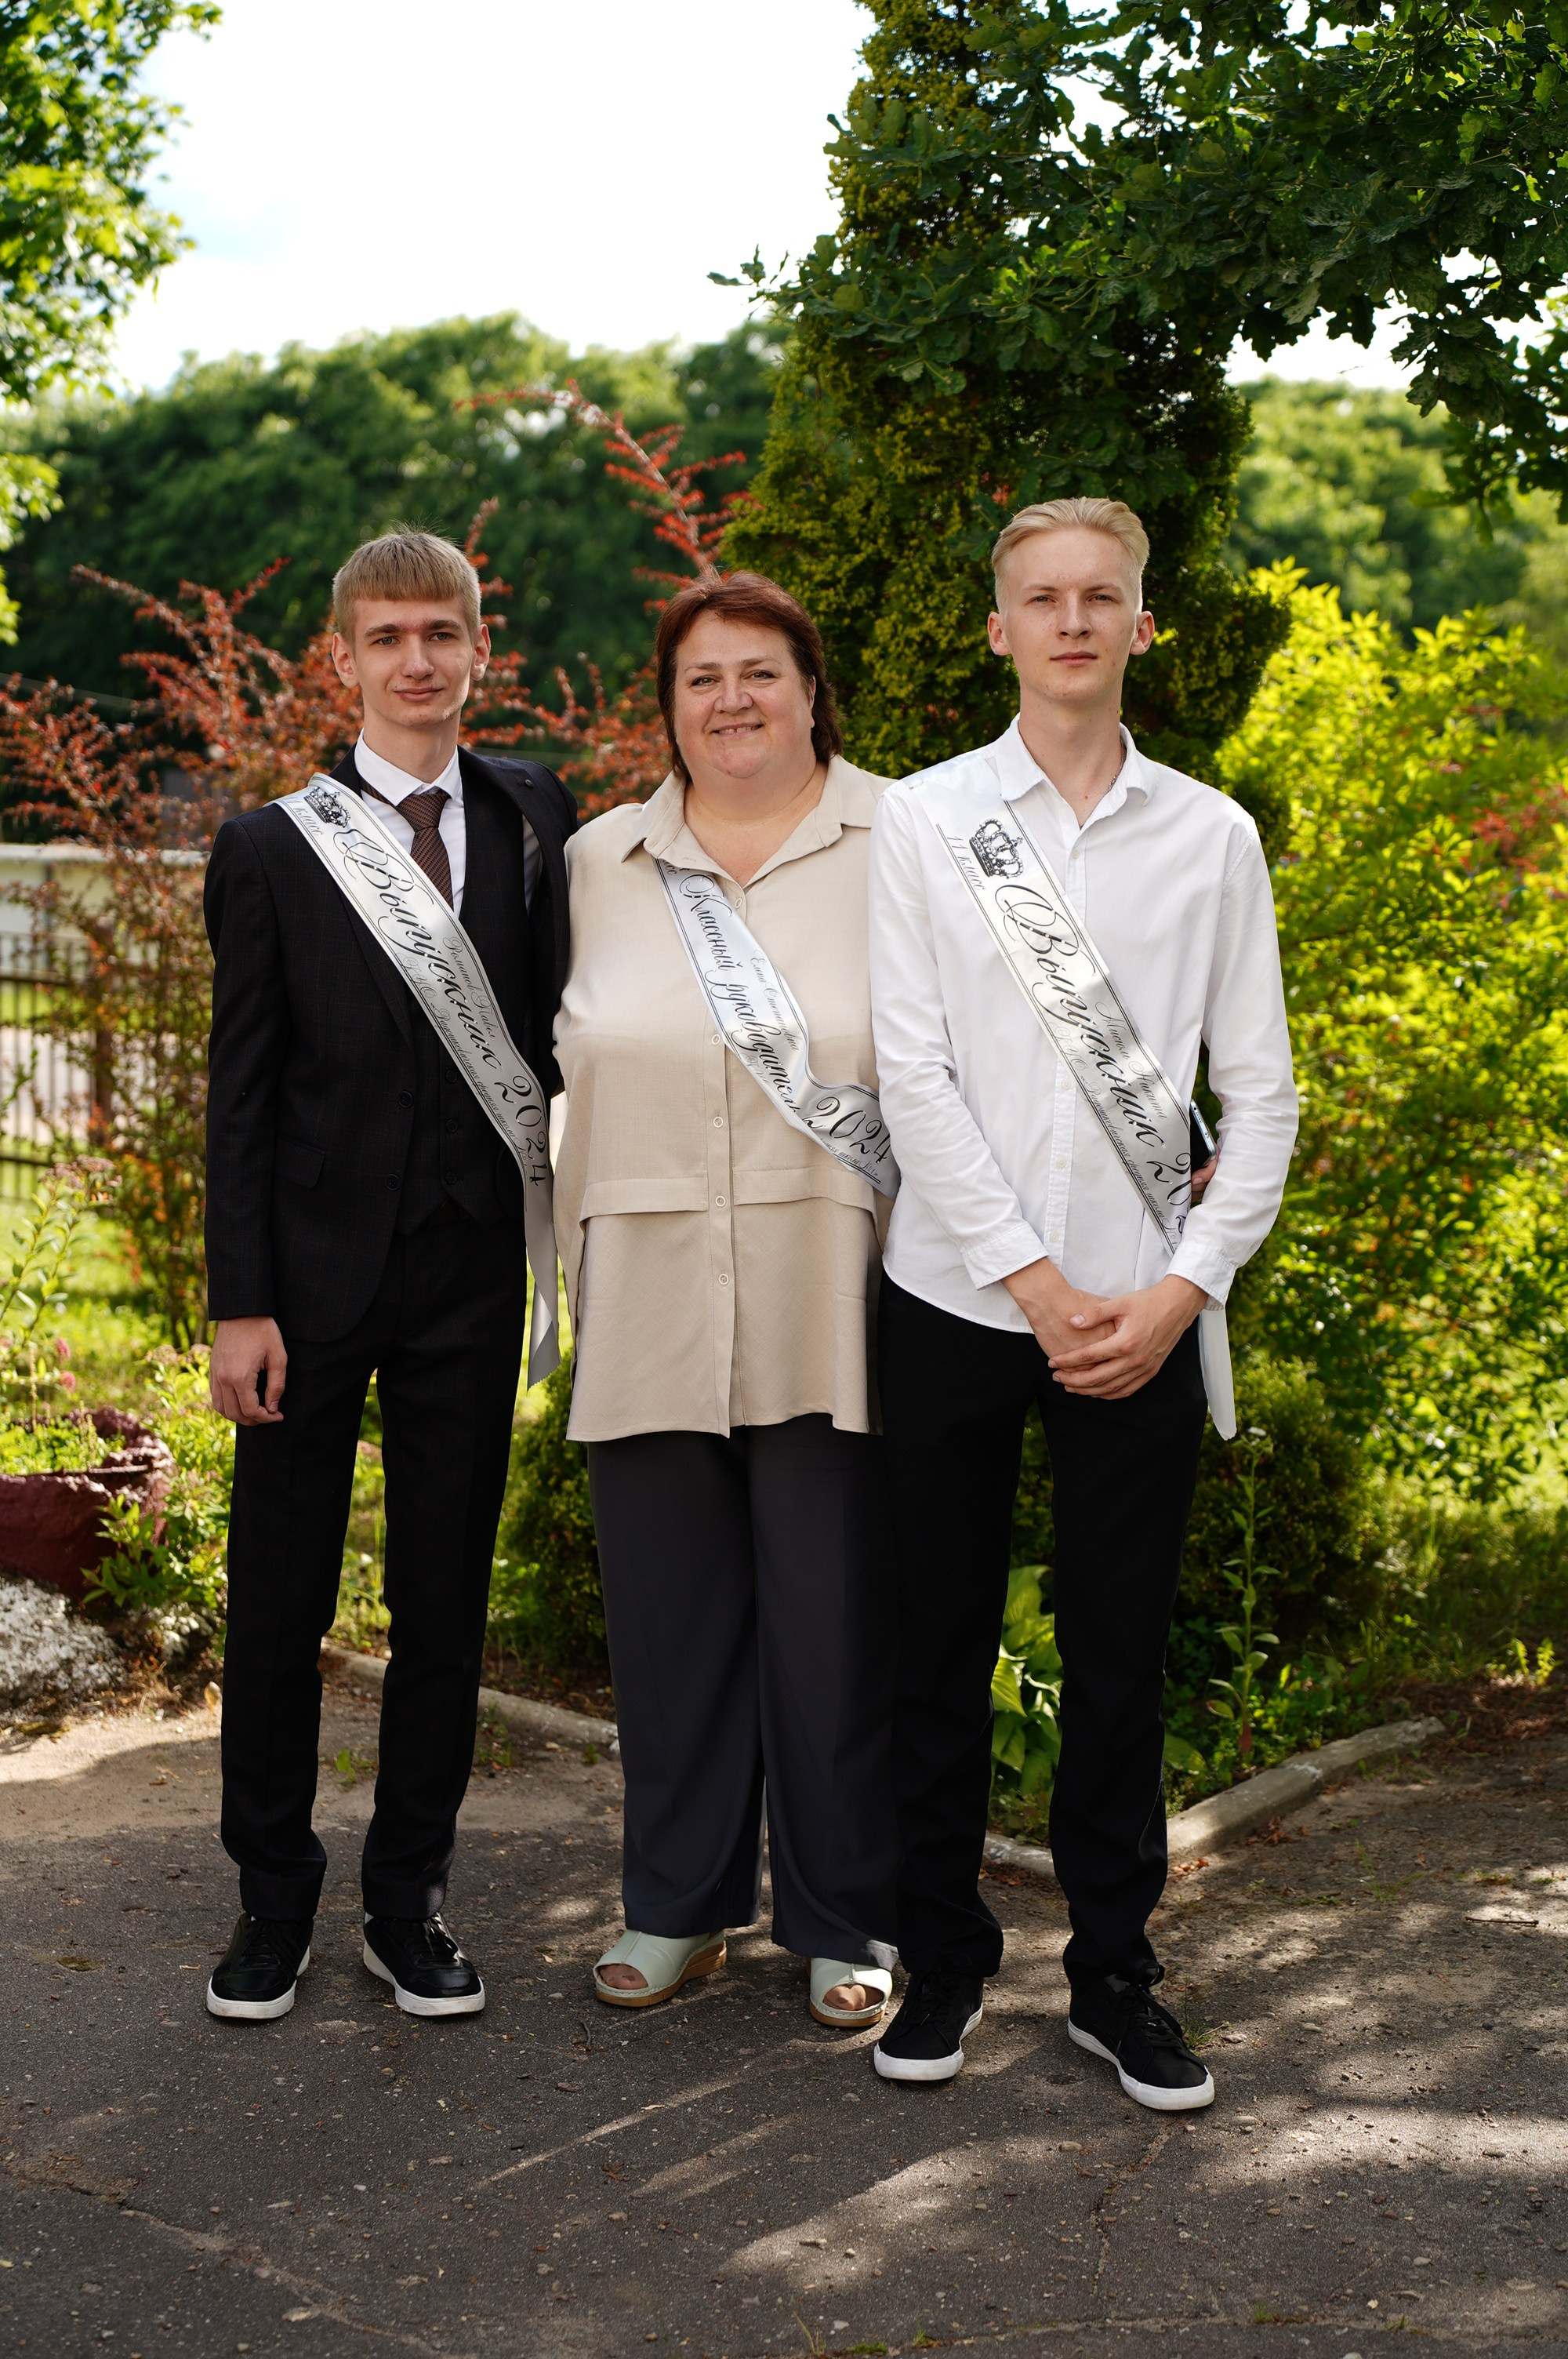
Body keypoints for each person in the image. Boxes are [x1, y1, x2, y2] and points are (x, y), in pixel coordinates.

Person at [867, 497, 1298, 2103]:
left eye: (1097, 596)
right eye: (1039, 598)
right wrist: (1035, 1284)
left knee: (1121, 1659)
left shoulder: (1212, 837)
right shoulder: (923, 822)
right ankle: (941, 1961)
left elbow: (1259, 1099)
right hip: (954, 1302)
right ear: (998, 629)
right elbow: (910, 1073)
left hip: (1144, 1319)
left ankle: (1115, 1978)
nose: (1068, 621)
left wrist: (1181, 1290)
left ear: (1137, 623)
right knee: (935, 1648)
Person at [201, 529, 575, 2022]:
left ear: (482, 651)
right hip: (304, 1289)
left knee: (444, 1603)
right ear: (344, 659)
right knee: (277, 1600)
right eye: (387, 637)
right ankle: (271, 1902)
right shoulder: (272, 847)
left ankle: (406, 1899)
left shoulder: (544, 814)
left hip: (472, 1283)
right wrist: (239, 1300)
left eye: (442, 633)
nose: (416, 660)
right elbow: (239, 1092)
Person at [554, 571, 899, 2028]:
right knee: (669, 1615)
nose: (734, 700)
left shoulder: (907, 842)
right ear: (670, 704)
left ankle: (846, 1920)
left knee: (834, 1617)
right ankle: (676, 1905)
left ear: (813, 688)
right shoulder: (595, 861)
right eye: (704, 678)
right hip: (643, 1285)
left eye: (762, 671)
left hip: (840, 1284)